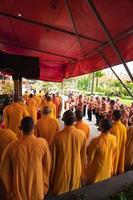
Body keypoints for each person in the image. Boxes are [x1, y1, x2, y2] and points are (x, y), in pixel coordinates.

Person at [0, 117, 51, 200]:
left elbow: (3, 172)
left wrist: (9, 190)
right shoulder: (43, 143)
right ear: (34, 127)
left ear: (20, 128)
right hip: (37, 188)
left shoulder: (11, 147)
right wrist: (44, 184)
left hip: (18, 191)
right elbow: (47, 166)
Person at [50, 110, 86, 195]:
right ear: (75, 120)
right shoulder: (82, 135)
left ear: (63, 120)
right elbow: (83, 156)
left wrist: (51, 176)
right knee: (75, 194)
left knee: (61, 193)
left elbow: (53, 158)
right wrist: (82, 171)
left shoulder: (57, 136)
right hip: (77, 168)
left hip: (61, 170)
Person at [84, 119, 117, 184]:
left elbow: (89, 157)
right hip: (108, 167)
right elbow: (114, 153)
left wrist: (86, 171)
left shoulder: (96, 141)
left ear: (101, 127)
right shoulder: (114, 138)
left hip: (97, 170)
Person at [110, 110, 127, 175]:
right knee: (119, 160)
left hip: (114, 150)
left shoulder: (112, 128)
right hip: (121, 148)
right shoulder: (123, 127)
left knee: (113, 162)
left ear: (113, 116)